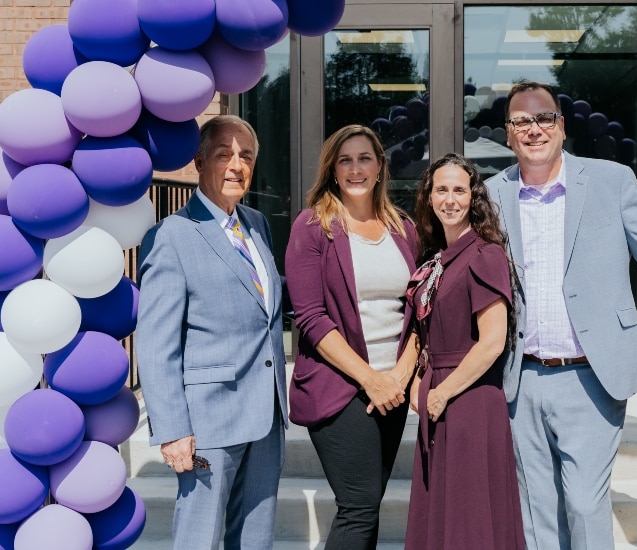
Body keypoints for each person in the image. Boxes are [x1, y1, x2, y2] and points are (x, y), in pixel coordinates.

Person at [486, 82, 637, 550]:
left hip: (591, 374)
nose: (533, 130)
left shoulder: (611, 180)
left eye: (543, 119)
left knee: (583, 503)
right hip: (519, 376)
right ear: (508, 134)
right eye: (522, 122)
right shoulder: (491, 194)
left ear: (560, 126)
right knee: (536, 511)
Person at [136, 115, 287, 550]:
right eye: (223, 154)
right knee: (199, 538)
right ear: (200, 162)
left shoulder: (257, 225)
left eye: (246, 156)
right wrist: (171, 429)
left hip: (266, 414)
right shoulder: (171, 236)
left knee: (256, 537)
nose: (236, 165)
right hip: (208, 421)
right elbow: (156, 343)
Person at [285, 124, 418, 549]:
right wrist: (371, 379)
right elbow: (310, 317)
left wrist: (399, 374)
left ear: (380, 168)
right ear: (332, 170)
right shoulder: (312, 227)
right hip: (340, 387)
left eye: (364, 159)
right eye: (345, 160)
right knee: (358, 507)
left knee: (368, 505)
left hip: (392, 389)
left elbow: (419, 311)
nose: (355, 168)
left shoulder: (404, 229)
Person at [403, 153, 525, 549]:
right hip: (440, 396)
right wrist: (421, 377)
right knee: (441, 517)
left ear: (474, 198)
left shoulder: (484, 255)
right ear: (429, 196)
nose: (450, 199)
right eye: (442, 190)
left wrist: (442, 390)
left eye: (460, 190)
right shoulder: (437, 258)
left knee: (469, 522)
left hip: (469, 401)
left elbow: (492, 341)